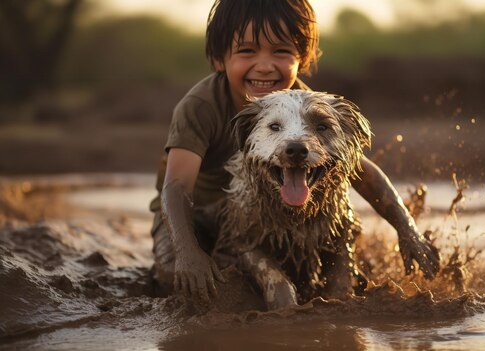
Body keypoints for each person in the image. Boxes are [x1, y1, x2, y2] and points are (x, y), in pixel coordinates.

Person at [149, 0, 440, 302]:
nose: (264, 65)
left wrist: (407, 230)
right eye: (247, 51)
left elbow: (362, 173)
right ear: (220, 59)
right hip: (194, 213)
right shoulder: (200, 106)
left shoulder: (306, 102)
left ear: (302, 58)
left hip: (266, 207)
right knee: (179, 279)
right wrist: (188, 252)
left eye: (281, 51)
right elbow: (176, 187)